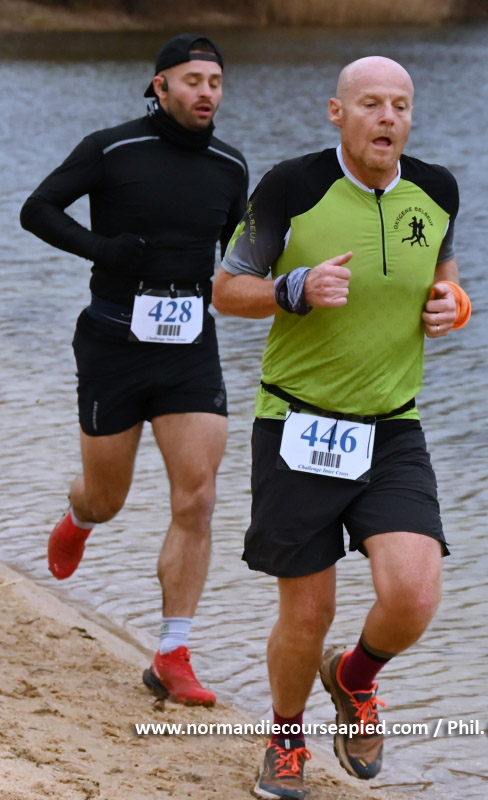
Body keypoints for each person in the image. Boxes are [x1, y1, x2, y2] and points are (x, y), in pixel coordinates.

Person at [212, 55, 471, 798]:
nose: (387, 117)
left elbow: (445, 277)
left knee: (413, 596)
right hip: (298, 424)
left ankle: (354, 677)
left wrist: (453, 305)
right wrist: (292, 287)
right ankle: (286, 739)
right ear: (337, 112)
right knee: (308, 611)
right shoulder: (292, 186)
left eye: (400, 106)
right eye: (371, 104)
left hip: (392, 425)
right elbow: (226, 290)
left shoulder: (438, 189)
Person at [20, 33, 248, 708]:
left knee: (197, 498)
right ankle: (79, 517)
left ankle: (172, 653)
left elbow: (240, 258)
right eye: (193, 80)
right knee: (107, 497)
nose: (206, 92)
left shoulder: (230, 165)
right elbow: (37, 210)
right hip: (114, 344)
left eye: (215, 82)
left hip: (190, 349)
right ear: (160, 86)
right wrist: (103, 248)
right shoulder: (112, 148)